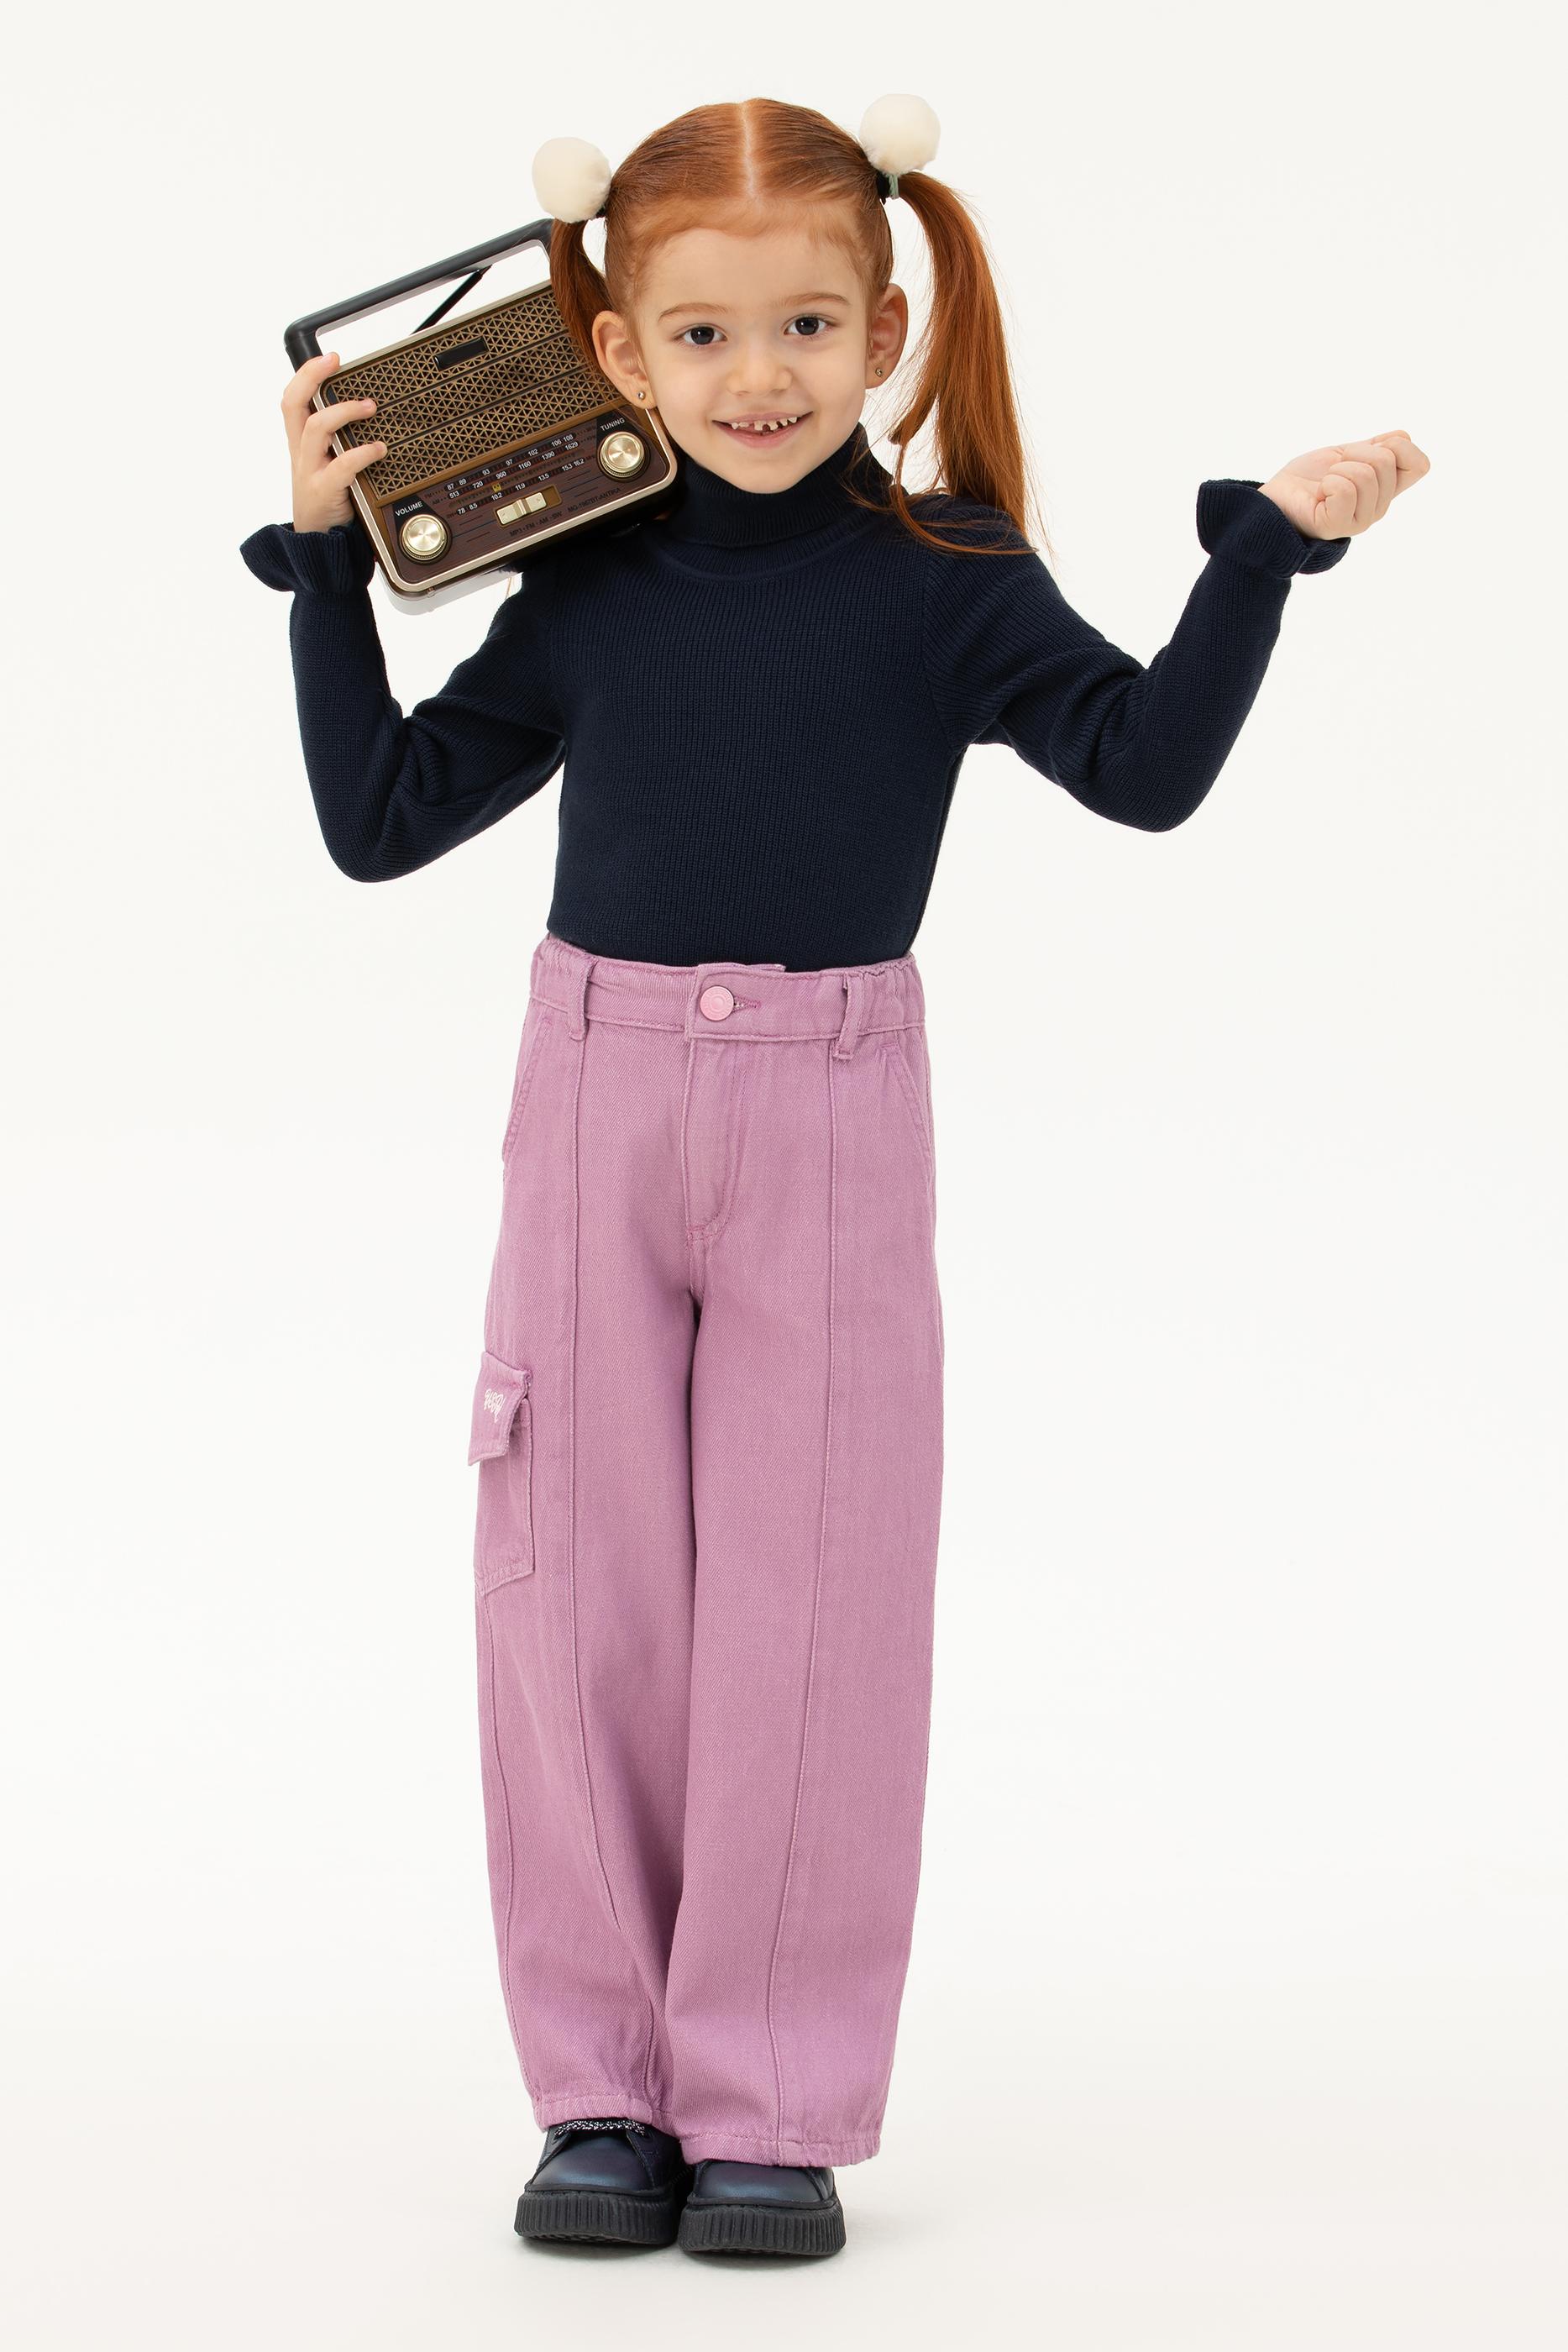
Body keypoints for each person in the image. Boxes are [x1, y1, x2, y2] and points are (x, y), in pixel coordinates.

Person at [238, 92, 1427, 2262]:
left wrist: (1260, 556)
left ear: (887, 329)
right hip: (595, 1094)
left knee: (817, 1598)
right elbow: (382, 820)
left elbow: (1141, 772)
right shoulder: (584, 575)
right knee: (573, 1584)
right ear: (616, 351)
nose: (757, 376)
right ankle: (602, 2094)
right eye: (701, 336)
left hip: (831, 1108)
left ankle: (768, 2099)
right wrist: (326, 567)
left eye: (806, 324)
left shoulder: (947, 579)